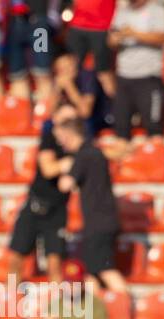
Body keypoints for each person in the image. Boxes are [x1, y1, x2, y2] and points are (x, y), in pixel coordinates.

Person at [7, 102, 80, 285]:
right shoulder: (49, 139)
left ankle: (56, 308)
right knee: (16, 257)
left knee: (54, 264)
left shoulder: (79, 144)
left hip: (57, 211)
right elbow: (48, 169)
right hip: (34, 205)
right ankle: (11, 303)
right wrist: (68, 164)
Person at [55, 118, 129, 294]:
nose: (59, 142)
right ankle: (99, 313)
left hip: (98, 221)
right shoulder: (96, 152)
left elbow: (65, 184)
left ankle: (126, 306)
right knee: (91, 273)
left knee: (105, 270)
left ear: (69, 135)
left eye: (60, 137)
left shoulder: (83, 155)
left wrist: (62, 167)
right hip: (104, 219)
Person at [110, 0, 164, 147]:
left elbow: (163, 37)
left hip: (148, 76)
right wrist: (116, 39)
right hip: (124, 76)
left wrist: (135, 34)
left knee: (153, 127)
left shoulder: (157, 9)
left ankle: (156, 164)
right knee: (121, 129)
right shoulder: (122, 11)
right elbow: (111, 40)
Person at [65, 0, 118, 99]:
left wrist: (116, 26)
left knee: (104, 73)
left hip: (101, 27)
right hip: (76, 25)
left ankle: (119, 109)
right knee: (70, 69)